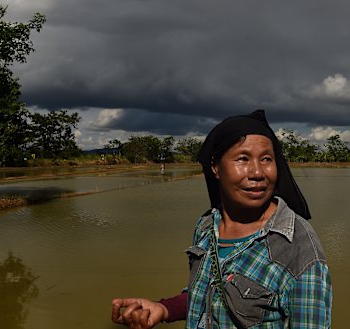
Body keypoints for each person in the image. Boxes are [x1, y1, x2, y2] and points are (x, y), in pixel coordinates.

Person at [111, 110, 332, 328]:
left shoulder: (299, 248)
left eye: (266, 159)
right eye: (243, 158)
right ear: (215, 167)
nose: (257, 172)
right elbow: (208, 294)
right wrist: (164, 308)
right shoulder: (207, 225)